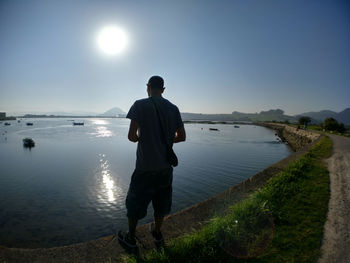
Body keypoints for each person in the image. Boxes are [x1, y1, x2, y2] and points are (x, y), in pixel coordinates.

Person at [118, 76, 186, 248]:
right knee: (161, 205)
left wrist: (143, 138)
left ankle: (131, 238)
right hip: (165, 168)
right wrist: (168, 140)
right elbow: (182, 137)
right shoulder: (173, 108)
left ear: (147, 87)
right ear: (163, 89)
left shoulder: (139, 105)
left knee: (135, 205)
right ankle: (156, 233)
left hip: (144, 168)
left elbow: (131, 137)